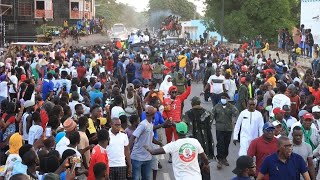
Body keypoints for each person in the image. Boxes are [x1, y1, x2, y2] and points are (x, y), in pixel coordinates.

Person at [145, 122, 210, 180]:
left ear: (176, 132)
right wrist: (206, 165)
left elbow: (153, 152)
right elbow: (205, 158)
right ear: (186, 131)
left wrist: (147, 148)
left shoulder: (173, 145)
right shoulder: (195, 141)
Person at [129, 106, 162, 180]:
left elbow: (152, 139)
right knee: (136, 178)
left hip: (147, 157)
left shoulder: (150, 124)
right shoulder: (143, 125)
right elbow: (133, 137)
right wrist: (128, 151)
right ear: (153, 115)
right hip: (137, 157)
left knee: (146, 178)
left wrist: (160, 144)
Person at [211, 94, 238, 169]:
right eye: (222, 98)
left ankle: (224, 158)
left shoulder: (231, 106)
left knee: (226, 144)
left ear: (227, 99)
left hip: (228, 128)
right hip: (219, 128)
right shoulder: (217, 107)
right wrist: (209, 124)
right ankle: (219, 159)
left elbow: (236, 113)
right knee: (220, 144)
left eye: (225, 98)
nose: (223, 99)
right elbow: (211, 116)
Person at [163, 77, 191, 147]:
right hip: (169, 123)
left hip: (177, 123)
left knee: (178, 140)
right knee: (169, 140)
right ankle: (170, 155)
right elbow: (163, 112)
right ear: (170, 93)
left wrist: (189, 85)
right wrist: (166, 119)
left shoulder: (180, 98)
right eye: (173, 92)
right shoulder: (166, 100)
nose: (174, 93)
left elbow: (187, 93)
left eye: (175, 92)